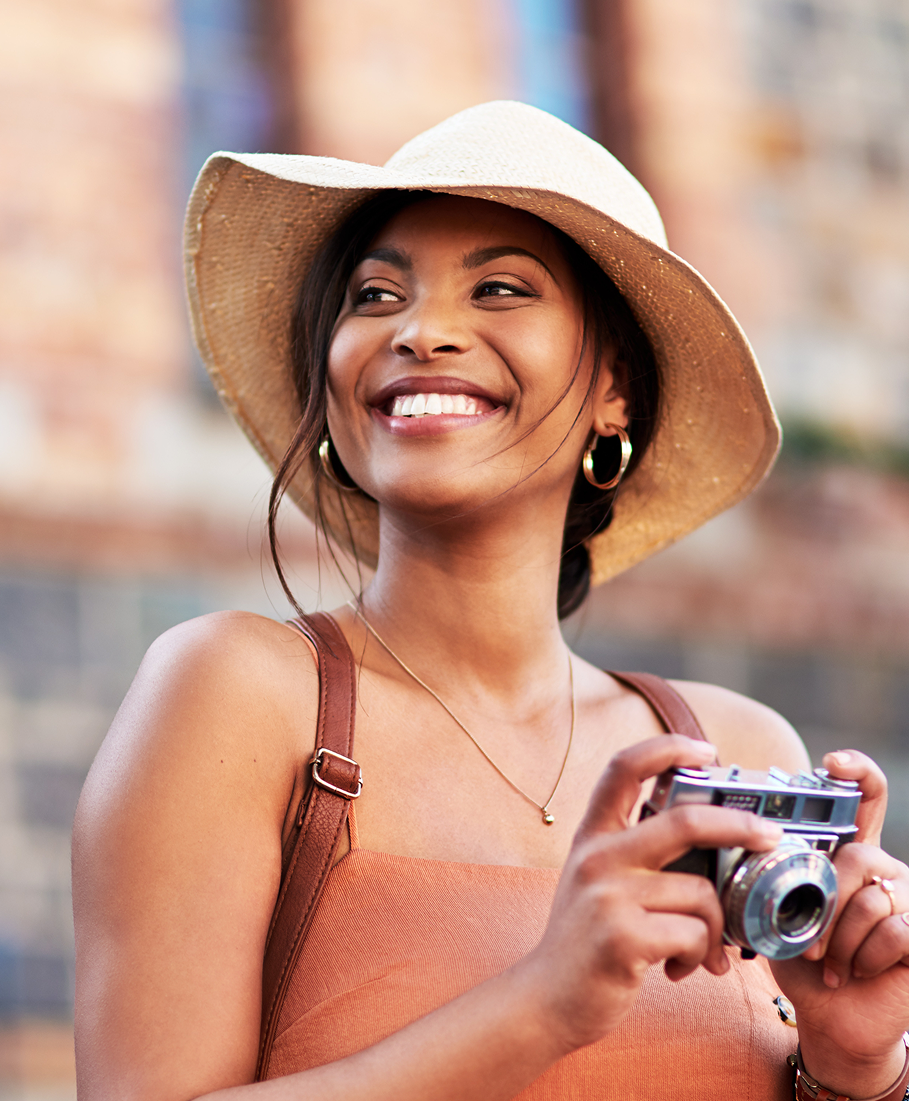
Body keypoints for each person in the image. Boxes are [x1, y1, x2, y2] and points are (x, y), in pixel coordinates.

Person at [72, 102, 909, 1101]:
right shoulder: (236, 696)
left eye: (501, 288)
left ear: (616, 390)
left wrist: (855, 1066)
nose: (421, 330)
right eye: (376, 295)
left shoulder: (732, 747)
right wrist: (543, 1006)